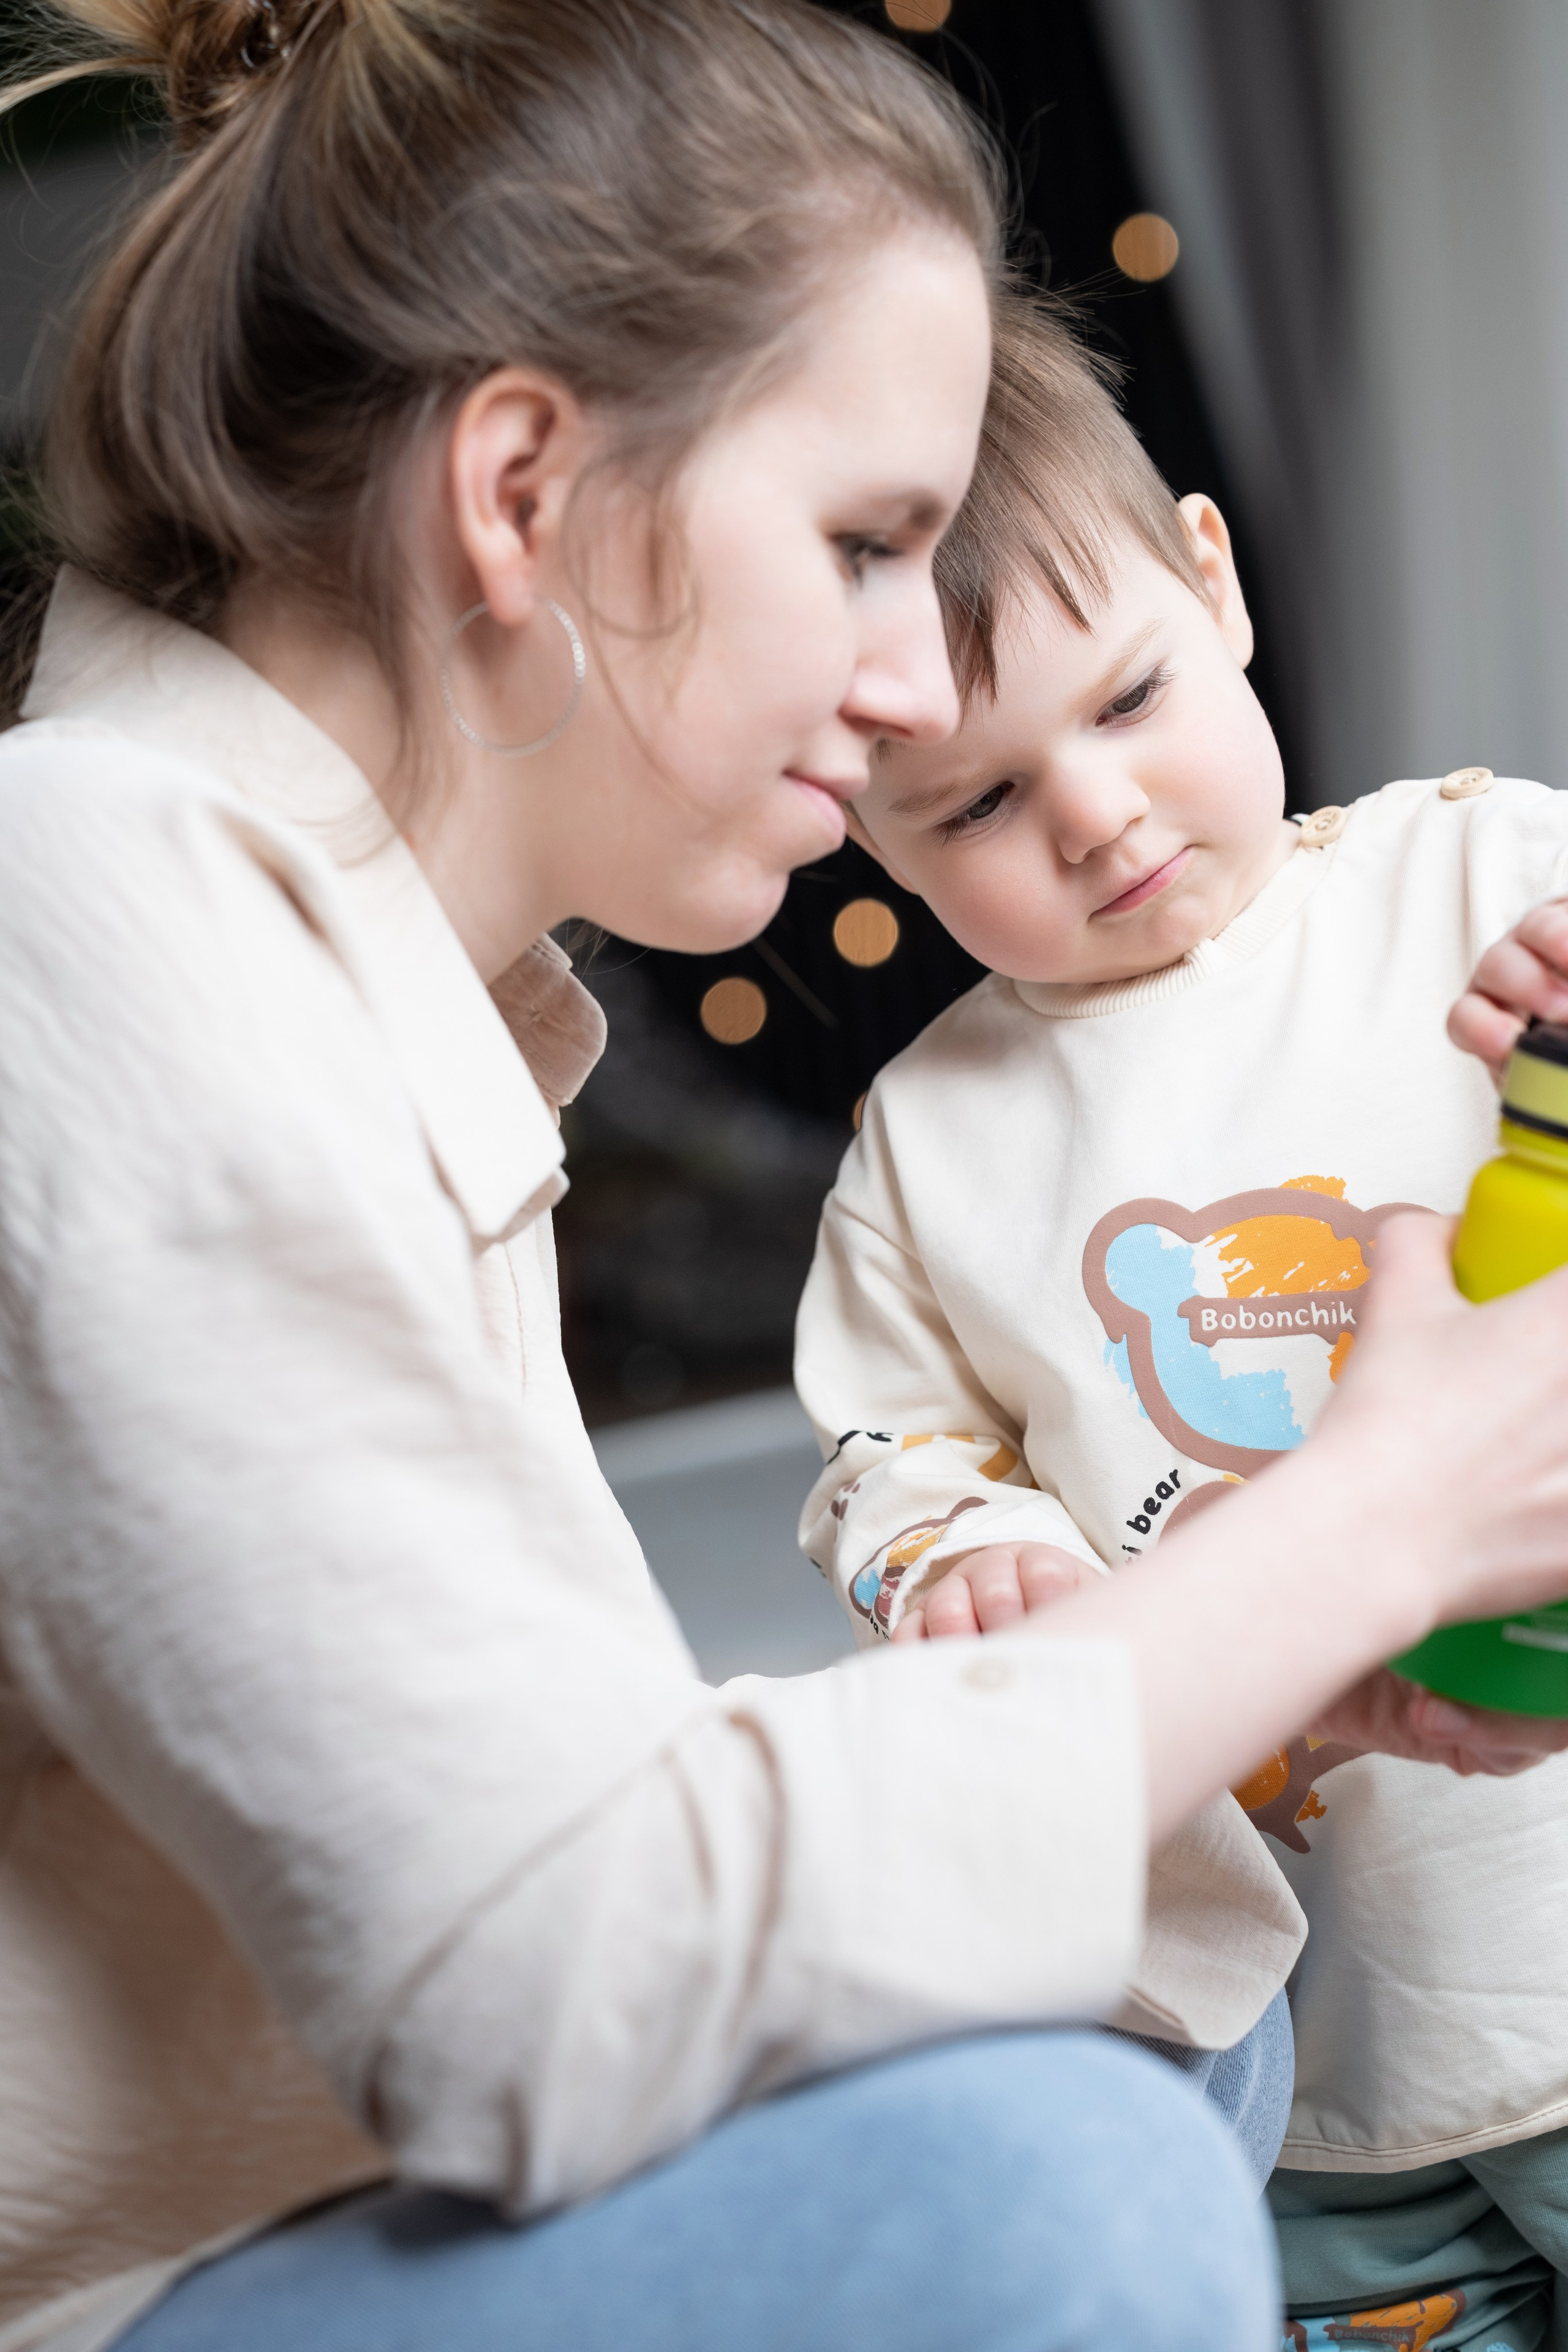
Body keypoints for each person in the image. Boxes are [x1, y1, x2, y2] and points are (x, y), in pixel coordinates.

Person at [3, 5, 1568, 2350]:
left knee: (1153, 1964)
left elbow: (547, 1827)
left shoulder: (321, 973)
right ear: (520, 490)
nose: (914, 688)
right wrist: (1384, 1518)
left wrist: (1274, 1642)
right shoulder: (90, 905)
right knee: (1053, 2178)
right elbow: (556, 1977)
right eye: (863, 545)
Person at [793, 301, 1568, 2350]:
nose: (1095, 814)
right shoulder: (929, 1140)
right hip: (1307, 2042)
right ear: (854, 826)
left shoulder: (1488, 878)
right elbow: (888, 1452)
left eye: (1129, 697)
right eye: (971, 806)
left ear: (1212, 582)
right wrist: (969, 1559)